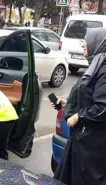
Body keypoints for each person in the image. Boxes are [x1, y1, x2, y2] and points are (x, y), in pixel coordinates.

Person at [53, 28, 106, 185]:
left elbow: (103, 106)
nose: (83, 43)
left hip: (92, 144)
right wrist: (66, 104)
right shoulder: (95, 65)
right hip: (82, 138)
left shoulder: (103, 70)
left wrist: (79, 115)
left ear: (98, 42)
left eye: (87, 40)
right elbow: (87, 96)